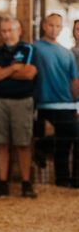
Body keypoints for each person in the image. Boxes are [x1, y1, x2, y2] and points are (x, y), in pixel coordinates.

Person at [0, 17, 38, 198]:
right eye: (4, 31)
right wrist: (14, 68)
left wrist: (3, 71)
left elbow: (29, 73)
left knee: (23, 143)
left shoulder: (28, 49)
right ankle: (2, 183)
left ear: (19, 31)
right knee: (1, 143)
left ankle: (26, 183)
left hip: (22, 101)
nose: (7, 34)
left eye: (10, 30)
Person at [34, 14, 79, 188]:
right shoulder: (35, 48)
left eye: (58, 26)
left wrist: (76, 103)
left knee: (65, 142)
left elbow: (74, 81)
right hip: (45, 103)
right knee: (69, 137)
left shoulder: (66, 53)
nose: (54, 29)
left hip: (66, 104)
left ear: (61, 29)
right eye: (51, 25)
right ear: (44, 25)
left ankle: (63, 180)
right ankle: (42, 145)